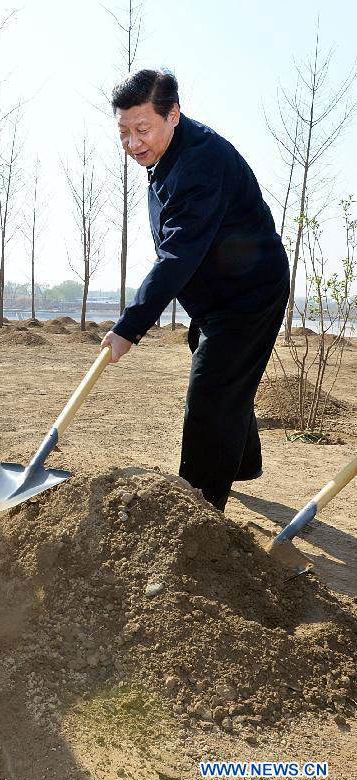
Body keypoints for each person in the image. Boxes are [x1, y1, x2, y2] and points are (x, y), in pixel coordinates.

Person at [101, 69, 290, 512]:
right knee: (222, 376)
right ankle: (241, 462)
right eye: (124, 133)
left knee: (210, 395)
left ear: (174, 114)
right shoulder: (168, 157)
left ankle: (196, 515)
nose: (133, 143)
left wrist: (130, 326)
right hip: (217, 296)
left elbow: (178, 254)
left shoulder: (200, 164)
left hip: (250, 295)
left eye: (142, 130)